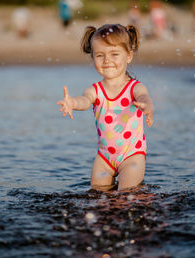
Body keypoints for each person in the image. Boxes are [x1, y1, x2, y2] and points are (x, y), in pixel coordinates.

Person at [57, 24, 154, 191]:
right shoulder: (95, 90)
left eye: (114, 54)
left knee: (125, 196)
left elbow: (143, 96)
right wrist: (72, 103)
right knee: (97, 196)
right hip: (104, 158)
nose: (107, 60)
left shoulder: (134, 87)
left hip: (132, 155)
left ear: (129, 55)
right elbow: (85, 100)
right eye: (100, 55)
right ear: (93, 57)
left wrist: (147, 104)